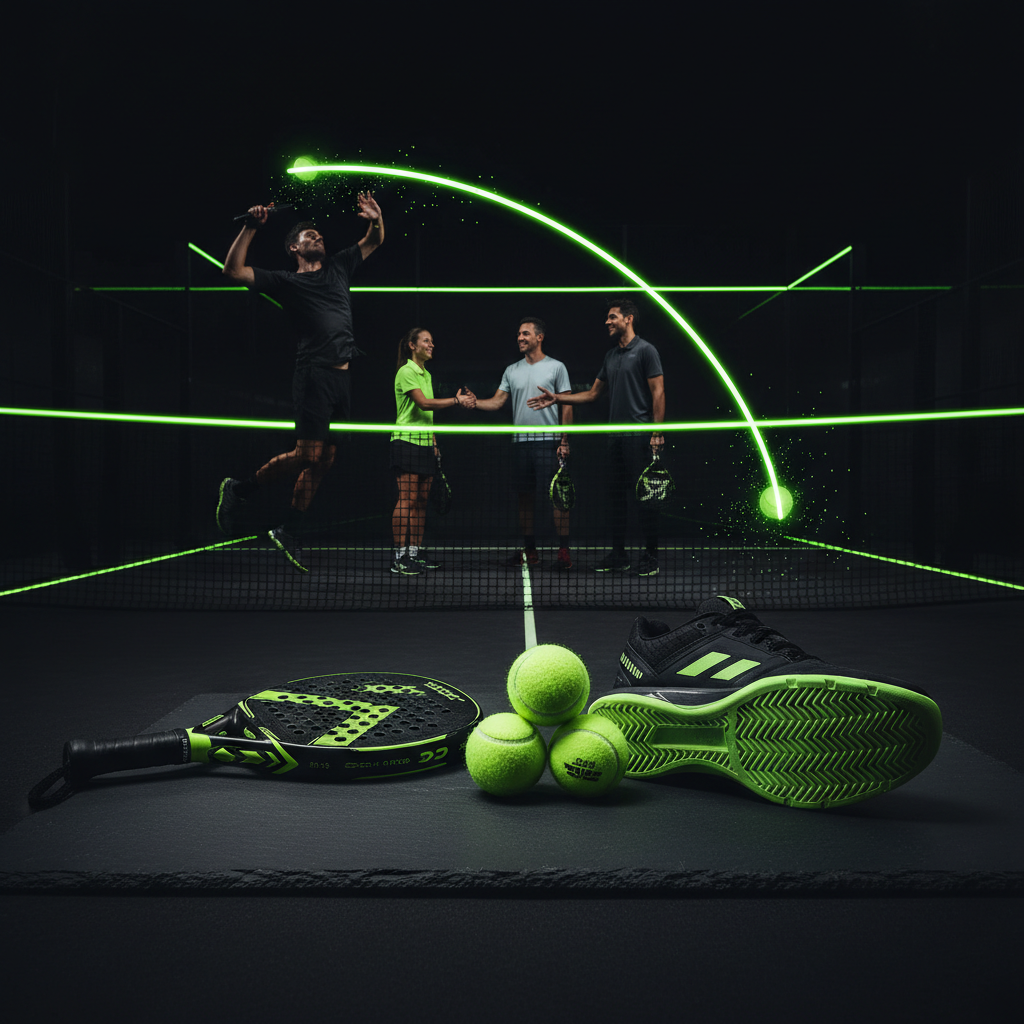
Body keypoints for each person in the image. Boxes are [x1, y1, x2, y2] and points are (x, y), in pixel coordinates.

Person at [214, 192, 383, 573]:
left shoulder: (339, 266)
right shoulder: (285, 281)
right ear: (294, 248)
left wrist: (375, 218)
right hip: (314, 376)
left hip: (343, 379)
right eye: (309, 236)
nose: (317, 238)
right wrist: (250, 227)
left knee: (327, 459)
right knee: (308, 454)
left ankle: (289, 531)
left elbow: (374, 240)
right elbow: (233, 271)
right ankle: (239, 489)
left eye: (319, 235)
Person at [527, 299, 665, 576]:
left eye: (613, 317)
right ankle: (619, 554)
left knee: (645, 499)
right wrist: (558, 398)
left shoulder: (647, 351)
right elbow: (592, 394)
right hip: (614, 438)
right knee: (615, 497)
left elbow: (658, 392)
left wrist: (657, 433)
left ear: (628, 319)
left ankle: (650, 556)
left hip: (638, 436)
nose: (607, 322)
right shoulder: (611, 356)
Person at [474, 318, 574, 570]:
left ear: (539, 337)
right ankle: (530, 551)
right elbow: (497, 402)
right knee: (524, 498)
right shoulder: (511, 370)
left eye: (525, 334)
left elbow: (567, 404)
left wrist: (564, 440)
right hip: (520, 444)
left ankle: (563, 552)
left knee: (557, 498)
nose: (520, 338)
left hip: (549, 443)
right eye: (518, 334)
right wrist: (473, 402)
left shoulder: (557, 367)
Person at [390, 327, 475, 576]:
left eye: (432, 341)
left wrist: (434, 441)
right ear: (412, 346)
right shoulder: (407, 371)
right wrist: (456, 401)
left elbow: (426, 415)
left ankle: (414, 554)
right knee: (406, 500)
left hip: (426, 443)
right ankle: (399, 557)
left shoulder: (425, 374)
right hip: (406, 442)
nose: (432, 345)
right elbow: (424, 403)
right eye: (426, 341)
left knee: (420, 502)